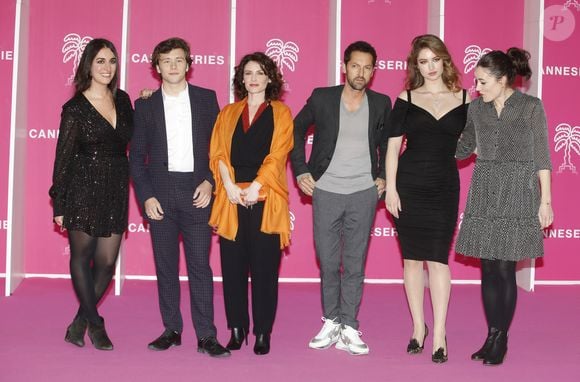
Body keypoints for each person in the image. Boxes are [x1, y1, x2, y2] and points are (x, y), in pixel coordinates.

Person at [129, 37, 229, 357]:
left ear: (188, 64)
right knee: (166, 267)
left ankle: (206, 335)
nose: (173, 66)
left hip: (197, 192)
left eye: (179, 60)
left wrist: (211, 182)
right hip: (160, 194)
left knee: (200, 266)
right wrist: (145, 196)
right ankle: (172, 329)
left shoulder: (206, 99)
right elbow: (136, 157)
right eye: (166, 61)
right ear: (157, 67)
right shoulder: (144, 105)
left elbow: (219, 150)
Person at [291, 41, 391, 356]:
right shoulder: (322, 97)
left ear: (373, 71)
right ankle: (331, 320)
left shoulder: (381, 103)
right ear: (344, 66)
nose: (360, 72)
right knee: (329, 260)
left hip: (363, 192)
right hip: (326, 190)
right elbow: (295, 128)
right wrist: (300, 169)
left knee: (355, 262)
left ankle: (349, 324)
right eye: (355, 65)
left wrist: (384, 176)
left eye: (367, 67)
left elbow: (388, 142)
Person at [455, 48, 553, 366]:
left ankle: (501, 338)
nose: (477, 87)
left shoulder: (530, 107)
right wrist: (432, 141)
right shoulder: (475, 109)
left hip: (518, 188)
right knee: (487, 266)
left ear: (501, 80)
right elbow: (464, 147)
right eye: (476, 82)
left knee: (504, 267)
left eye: (482, 82)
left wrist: (546, 201)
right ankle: (492, 334)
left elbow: (542, 156)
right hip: (484, 187)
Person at [385, 34, 469, 363]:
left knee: (437, 260)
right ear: (415, 65)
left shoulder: (465, 99)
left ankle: (440, 333)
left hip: (444, 185)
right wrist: (391, 188)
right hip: (409, 184)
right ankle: (418, 327)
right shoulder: (405, 98)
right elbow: (392, 147)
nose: (430, 67)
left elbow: (475, 142)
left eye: (435, 59)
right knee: (411, 260)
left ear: (444, 60)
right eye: (423, 61)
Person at [49, 38, 133, 350]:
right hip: (82, 186)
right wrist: (60, 201)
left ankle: (79, 322)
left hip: (115, 187)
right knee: (82, 257)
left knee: (107, 262)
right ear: (88, 65)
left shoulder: (123, 100)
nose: (107, 67)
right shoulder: (75, 109)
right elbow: (63, 158)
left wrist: (149, 98)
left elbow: (135, 135)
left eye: (112, 61)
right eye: (100, 61)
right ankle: (96, 324)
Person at [208, 52, 293, 355]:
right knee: (231, 268)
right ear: (241, 79)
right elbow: (217, 153)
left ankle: (262, 332)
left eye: (260, 72)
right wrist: (229, 186)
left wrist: (256, 186)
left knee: (265, 270)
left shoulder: (281, 113)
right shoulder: (228, 112)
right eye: (248, 73)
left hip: (265, 198)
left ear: (270, 78)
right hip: (232, 199)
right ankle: (236, 328)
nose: (253, 78)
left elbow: (278, 154)